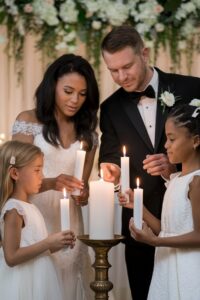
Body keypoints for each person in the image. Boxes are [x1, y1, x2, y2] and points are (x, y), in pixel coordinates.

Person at [99, 25, 200, 300]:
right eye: (112, 70)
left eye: (127, 66)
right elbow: (108, 154)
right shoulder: (109, 108)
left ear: (144, 53)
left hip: (192, 219)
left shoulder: (192, 88)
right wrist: (110, 169)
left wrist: (177, 168)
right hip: (142, 222)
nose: (120, 76)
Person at [12, 54, 100, 300]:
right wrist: (51, 182)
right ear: (52, 86)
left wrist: (84, 193)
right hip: (34, 220)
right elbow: (13, 181)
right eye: (68, 91)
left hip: (69, 221)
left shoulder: (88, 133)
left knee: (68, 287)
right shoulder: (28, 121)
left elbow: (81, 186)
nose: (75, 100)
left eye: (82, 94)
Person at [129, 103, 200, 300]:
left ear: (195, 141)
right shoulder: (175, 179)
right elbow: (168, 229)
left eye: (171, 139)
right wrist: (139, 207)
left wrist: (154, 241)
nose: (166, 145)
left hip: (190, 268)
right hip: (167, 265)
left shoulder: (197, 182)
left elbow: (199, 236)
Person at [0, 140, 76, 300]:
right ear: (15, 173)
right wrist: (48, 243)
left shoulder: (29, 206)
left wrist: (58, 243)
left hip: (39, 276)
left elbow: (34, 246)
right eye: (37, 170)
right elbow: (11, 257)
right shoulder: (14, 209)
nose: (42, 176)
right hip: (24, 280)